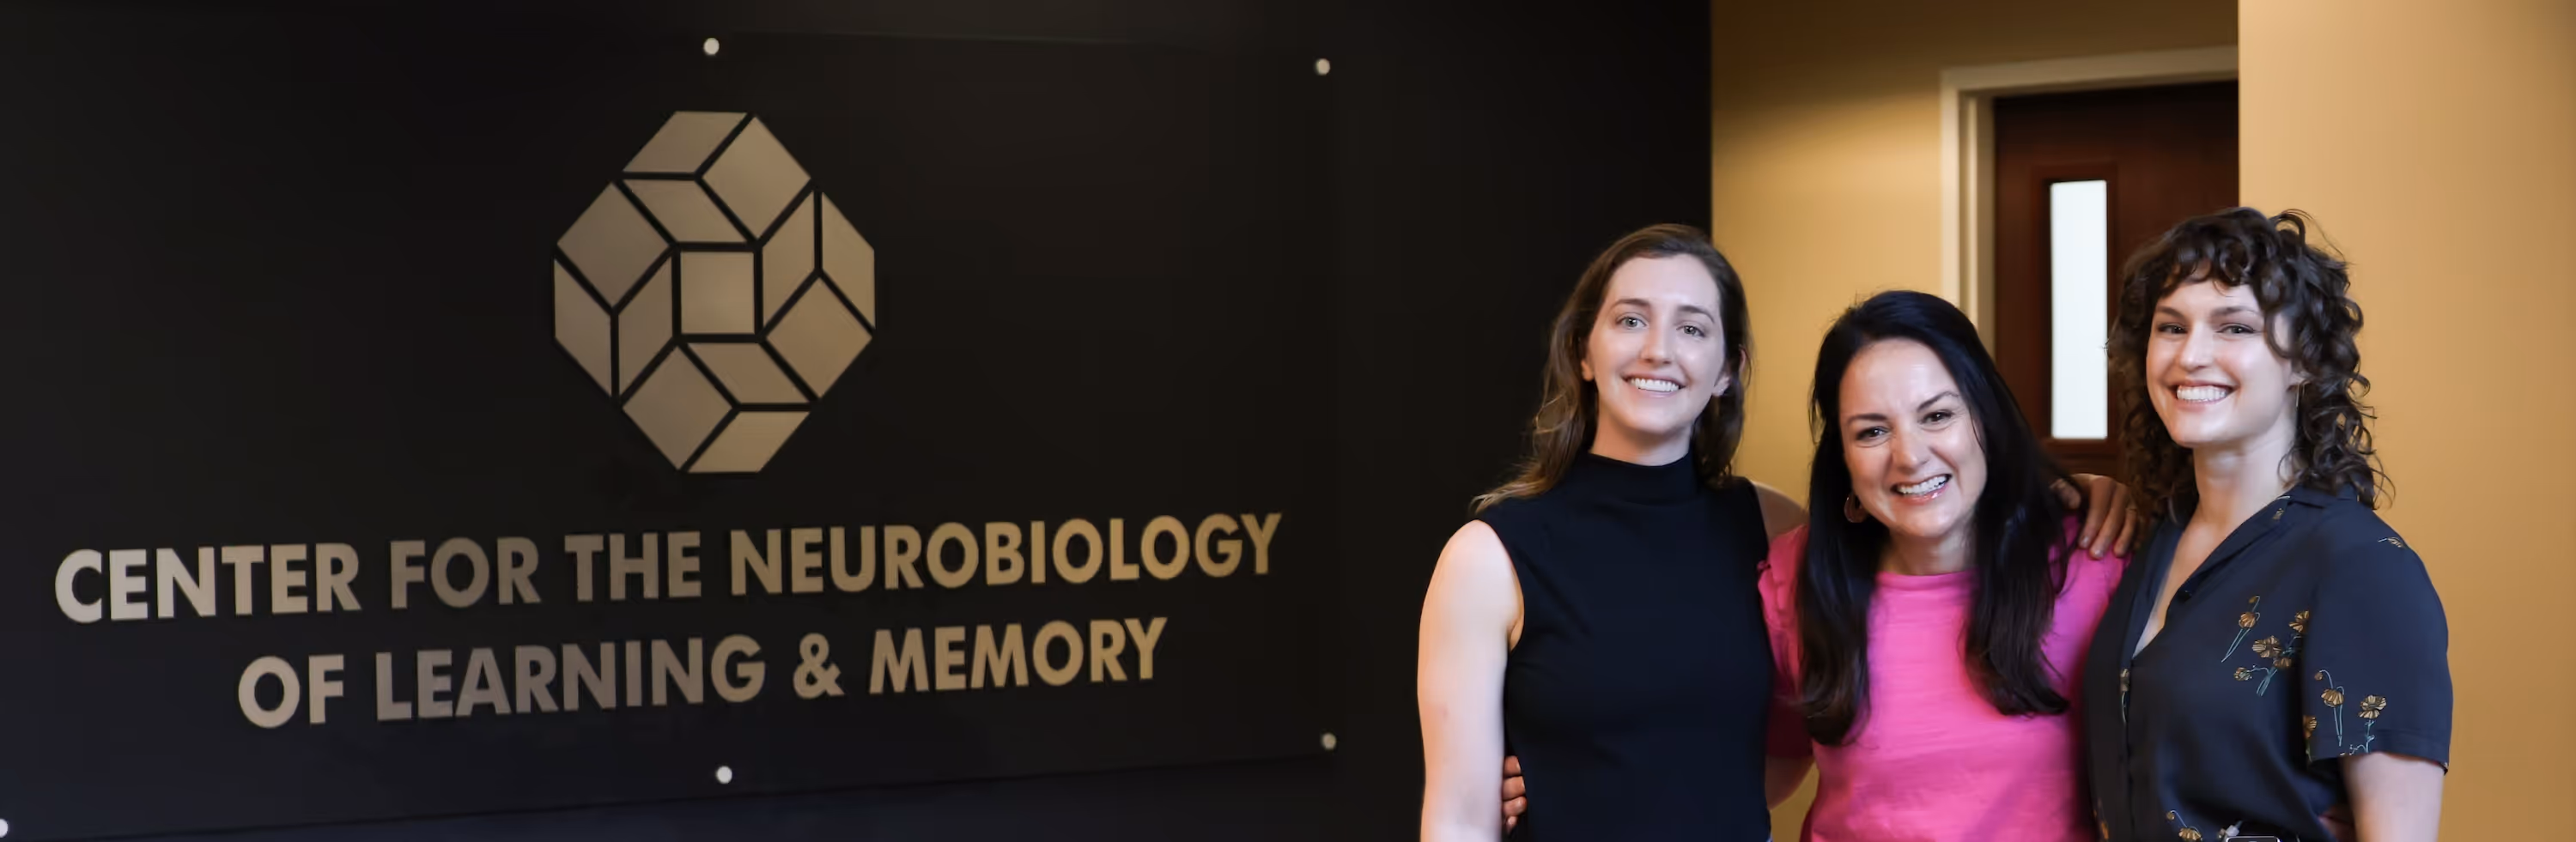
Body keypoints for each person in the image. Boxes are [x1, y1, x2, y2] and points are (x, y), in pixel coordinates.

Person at [1422, 225, 2134, 841]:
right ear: (1583, 349)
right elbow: (1457, 815)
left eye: (1693, 327)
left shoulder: (1771, 527)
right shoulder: (1490, 556)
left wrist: (2071, 489)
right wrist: (1569, 790)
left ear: (1728, 369)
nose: (1659, 350)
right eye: (1630, 320)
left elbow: (1763, 756)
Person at [2081, 208, 2449, 842]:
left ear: (2304, 358)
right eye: (2171, 327)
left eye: (2235, 327)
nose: (2191, 355)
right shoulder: (2148, 542)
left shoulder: (2360, 565)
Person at [1760, 290, 2130, 841]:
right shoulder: (1797, 576)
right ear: (1842, 457)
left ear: (1985, 419)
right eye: (1871, 431)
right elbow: (1762, 768)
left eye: (1937, 415)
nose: (1909, 456)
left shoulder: (2096, 557)